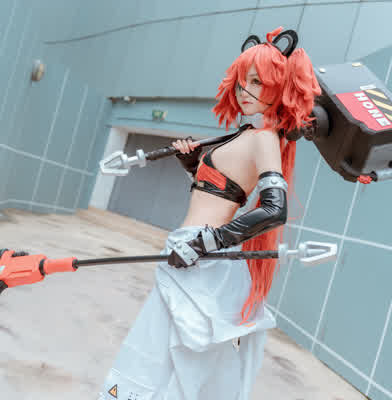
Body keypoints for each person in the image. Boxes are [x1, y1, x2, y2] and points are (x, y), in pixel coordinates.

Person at [99, 26, 320, 400]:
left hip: (203, 257)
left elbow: (274, 210)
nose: (244, 90)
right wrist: (192, 165)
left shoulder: (264, 139)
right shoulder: (242, 134)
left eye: (257, 82)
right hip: (192, 250)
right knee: (163, 356)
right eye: (242, 80)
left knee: (173, 360)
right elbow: (219, 192)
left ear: (278, 88)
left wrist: (206, 243)